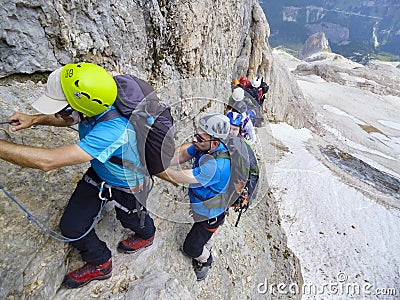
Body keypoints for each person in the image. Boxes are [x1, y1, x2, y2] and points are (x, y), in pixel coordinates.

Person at [0, 63, 161, 288]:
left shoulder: (115, 130)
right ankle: (100, 263)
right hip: (99, 173)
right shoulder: (98, 98)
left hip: (129, 185)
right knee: (72, 227)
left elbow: (48, 161)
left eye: (63, 108)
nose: (58, 113)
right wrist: (34, 119)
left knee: (131, 219)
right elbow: (71, 117)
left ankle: (148, 235)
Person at [163, 113, 231, 281]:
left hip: (211, 215)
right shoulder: (205, 145)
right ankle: (206, 240)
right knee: (200, 230)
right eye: (195, 135)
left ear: (215, 142)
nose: (194, 140)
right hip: (203, 206)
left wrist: (159, 171)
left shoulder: (218, 166)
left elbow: (184, 177)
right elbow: (183, 155)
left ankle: (206, 260)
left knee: (191, 248)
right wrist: (159, 161)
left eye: (199, 138)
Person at [226, 112, 259, 212]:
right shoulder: (218, 139)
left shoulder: (245, 148)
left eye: (235, 129)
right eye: (229, 128)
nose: (231, 132)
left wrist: (248, 196)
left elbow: (254, 172)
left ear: (240, 130)